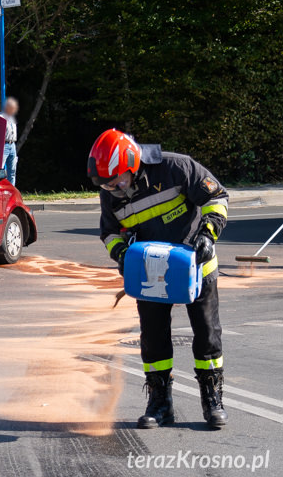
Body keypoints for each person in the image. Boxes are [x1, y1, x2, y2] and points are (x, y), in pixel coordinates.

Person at [88, 129, 229, 429]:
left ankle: (212, 398)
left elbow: (218, 197)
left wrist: (208, 234)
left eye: (117, 182)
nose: (113, 189)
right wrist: (122, 255)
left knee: (207, 335)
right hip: (151, 273)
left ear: (132, 164)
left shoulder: (177, 167)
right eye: (107, 185)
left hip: (196, 266)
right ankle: (160, 402)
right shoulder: (109, 192)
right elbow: (109, 233)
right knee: (153, 339)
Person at [0, 97, 19, 185]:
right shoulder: (0, 117)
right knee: (0, 170)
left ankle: (12, 191)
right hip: (4, 145)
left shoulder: (12, 118)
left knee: (12, 171)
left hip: (12, 144)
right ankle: (0, 189)